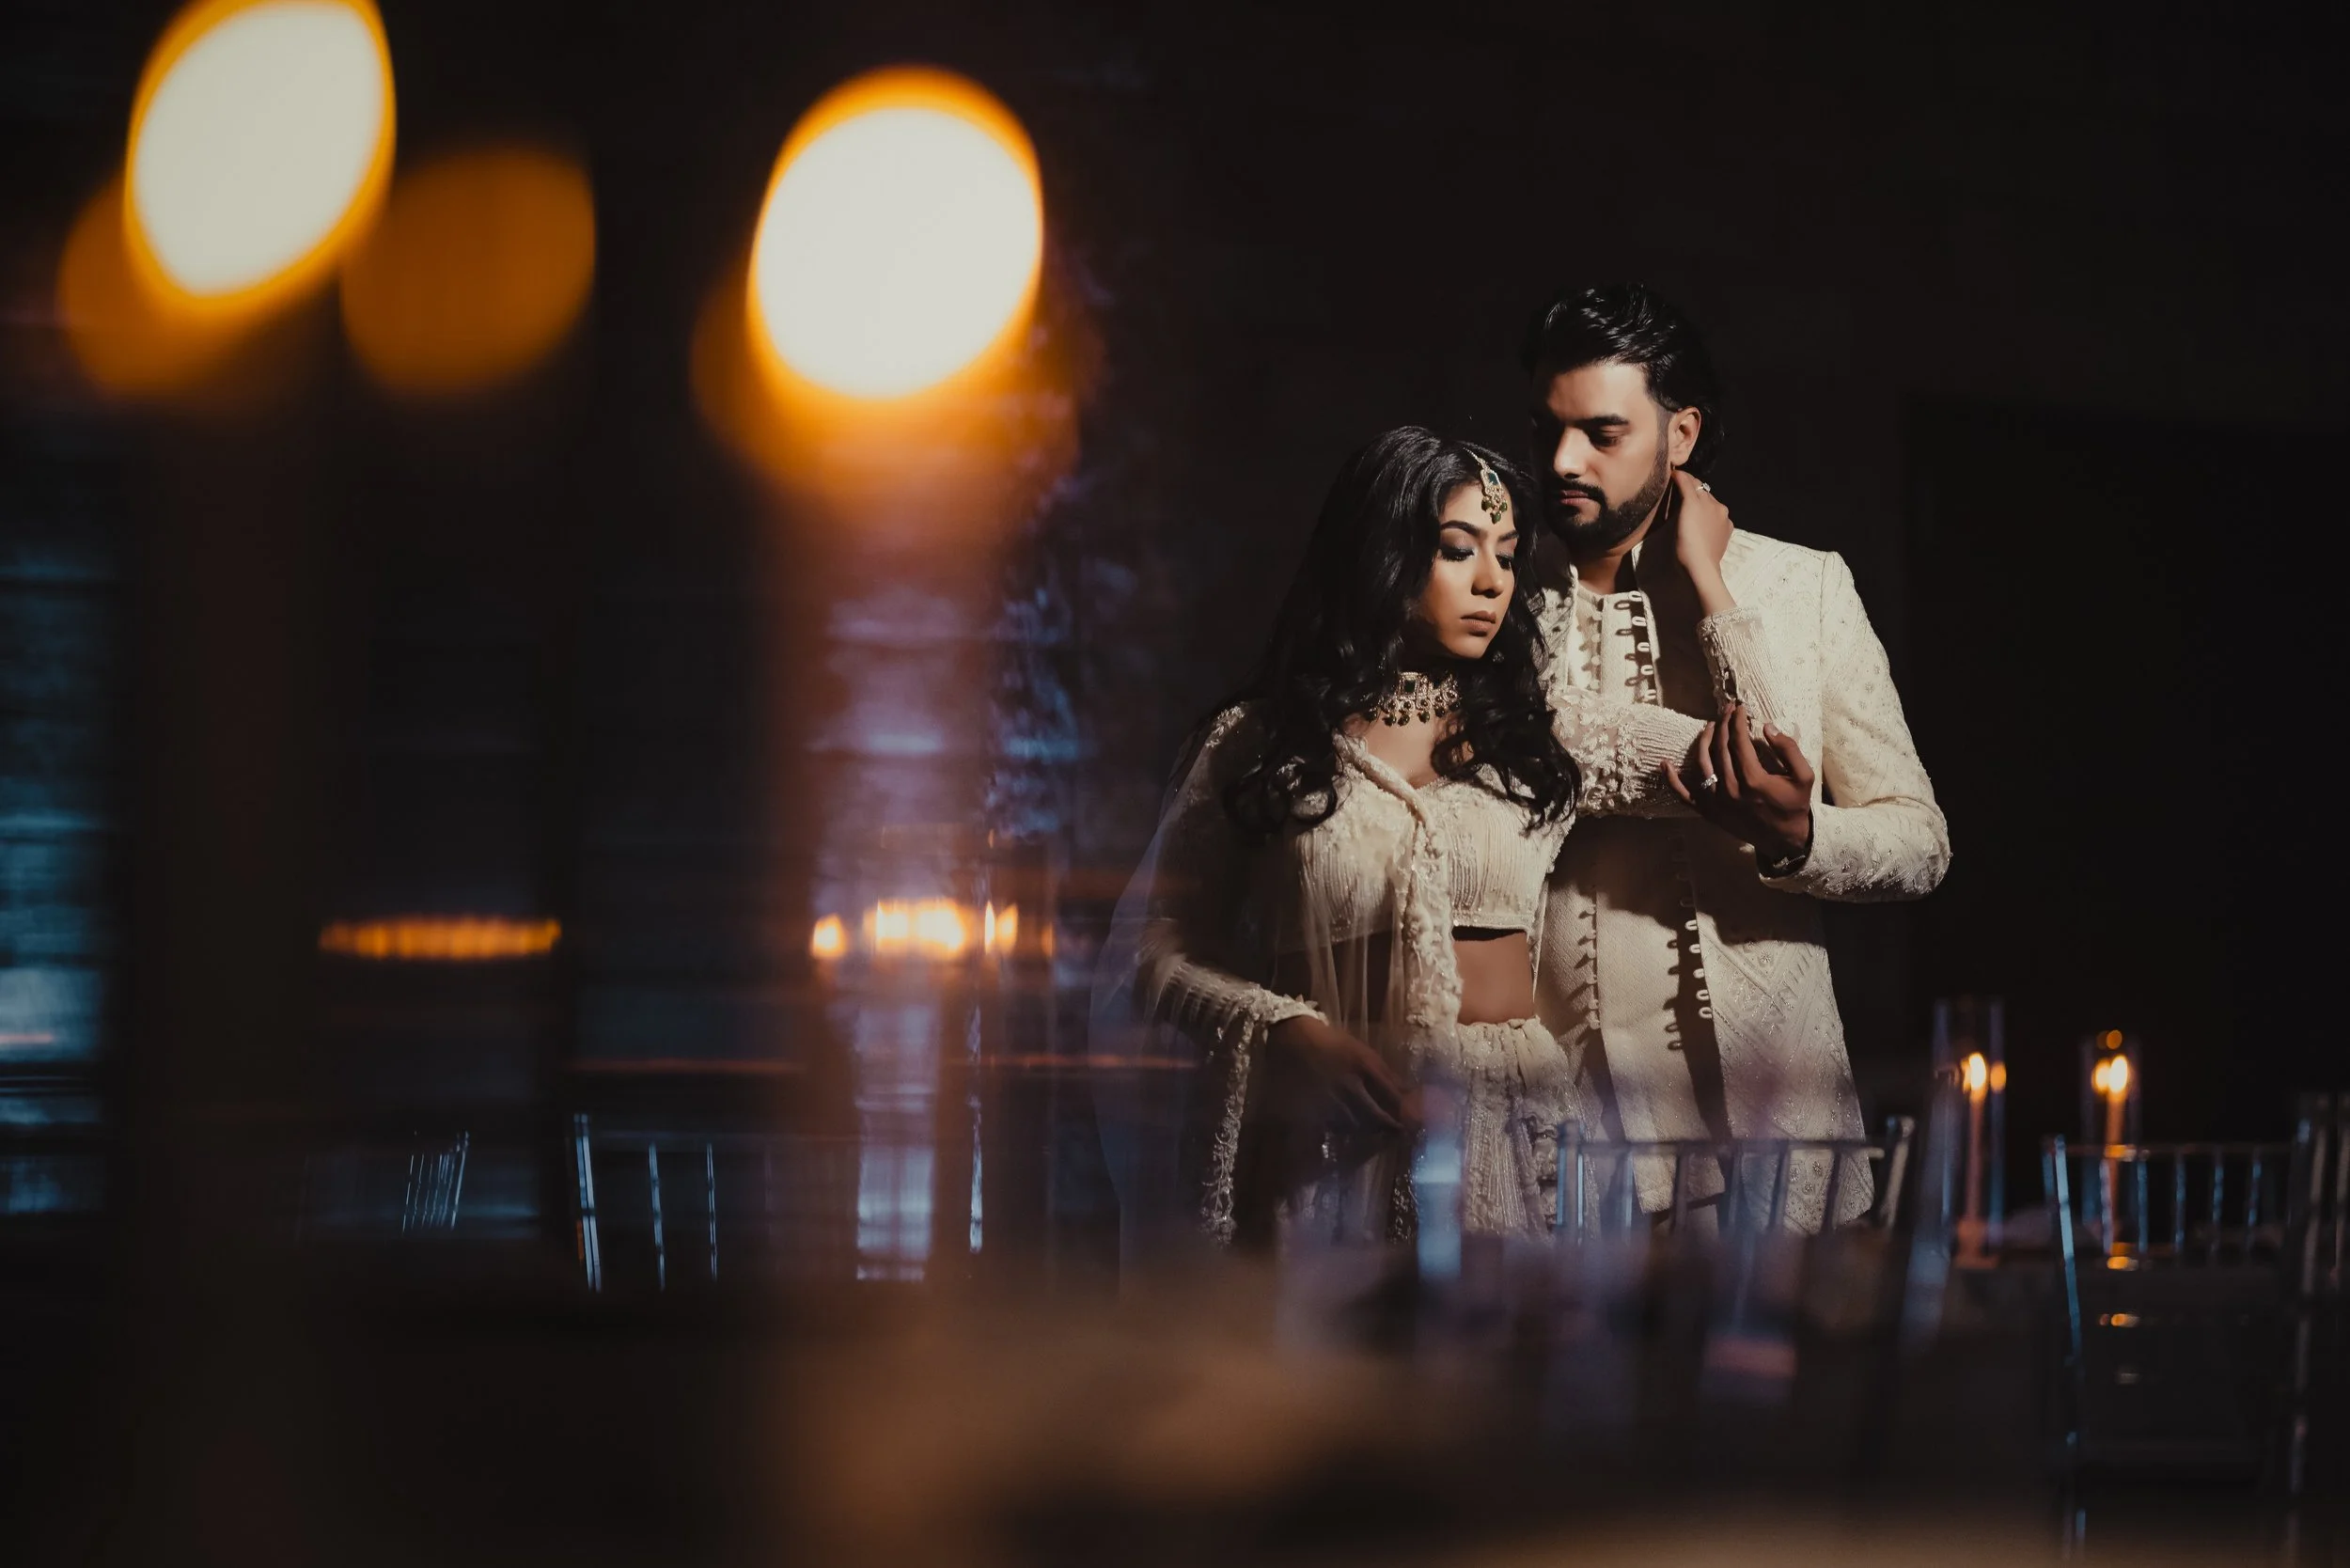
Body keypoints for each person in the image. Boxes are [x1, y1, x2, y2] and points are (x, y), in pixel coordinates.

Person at [1091, 427, 1774, 1252]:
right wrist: (1280, 1031)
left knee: (1491, 1336)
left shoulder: (1542, 734)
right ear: (1381, 553)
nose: (1493, 581)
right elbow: (1150, 947)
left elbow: (1768, 759)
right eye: (1458, 550)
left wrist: (1705, 573)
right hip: (1322, 1143)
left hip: (1501, 1138)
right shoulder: (1263, 742)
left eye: (1509, 555)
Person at [1522, 283, 1950, 1230]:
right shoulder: (1496, 594)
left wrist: (1800, 837)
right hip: (1557, 1143)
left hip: (1769, 1134)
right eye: (1548, 429)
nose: (1561, 462)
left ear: (1680, 434)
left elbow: (1919, 844)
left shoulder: (1803, 585)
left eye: (1601, 433)